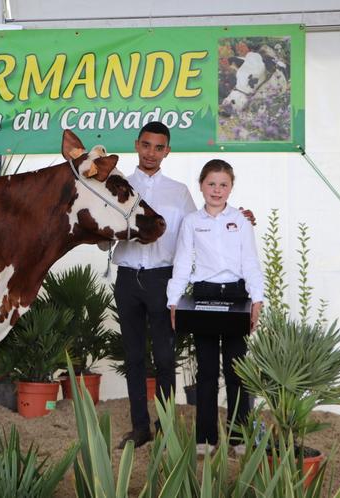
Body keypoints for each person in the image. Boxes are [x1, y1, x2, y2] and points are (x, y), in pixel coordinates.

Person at [166, 159, 264, 456]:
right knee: (207, 372)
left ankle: (238, 438)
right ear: (201, 185)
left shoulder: (242, 221)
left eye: (223, 184)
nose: (217, 190)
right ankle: (205, 439)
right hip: (203, 296)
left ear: (231, 187)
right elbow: (182, 263)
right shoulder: (192, 222)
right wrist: (173, 301)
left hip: (236, 296)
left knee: (237, 371)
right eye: (211, 183)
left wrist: (256, 300)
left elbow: (251, 262)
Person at [111, 121, 196, 449]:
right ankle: (140, 427)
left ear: (167, 151)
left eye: (159, 147)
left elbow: (194, 233)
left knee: (164, 358)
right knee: (133, 357)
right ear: (136, 145)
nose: (151, 153)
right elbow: (104, 230)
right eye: (146, 145)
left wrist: (236, 217)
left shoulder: (179, 193)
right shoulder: (118, 186)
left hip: (163, 279)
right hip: (128, 279)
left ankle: (165, 425)